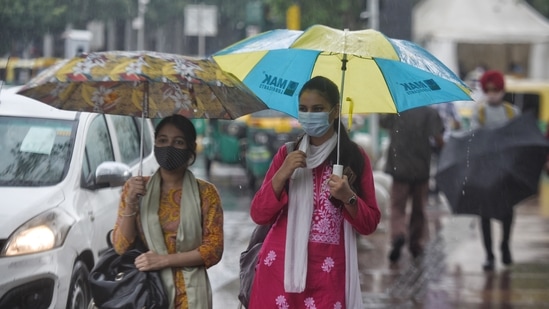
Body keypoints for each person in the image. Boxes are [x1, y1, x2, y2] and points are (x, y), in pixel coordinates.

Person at [247, 76, 381, 308]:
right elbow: (259, 214)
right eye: (303, 109)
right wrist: (283, 173)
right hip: (280, 271)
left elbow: (369, 224)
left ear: (335, 111)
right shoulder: (288, 154)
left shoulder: (354, 158)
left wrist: (348, 197)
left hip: (328, 276)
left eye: (317, 109)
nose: (309, 115)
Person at [112, 114, 224, 309]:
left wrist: (163, 261)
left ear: (191, 149)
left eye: (178, 142)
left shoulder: (206, 193)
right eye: (162, 140)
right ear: (154, 144)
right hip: (147, 290)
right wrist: (130, 202)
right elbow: (121, 246)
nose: (169, 147)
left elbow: (213, 250)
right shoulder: (137, 189)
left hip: (190, 295)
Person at [380, 106, 444, 263]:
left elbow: (383, 123)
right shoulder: (430, 113)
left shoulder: (396, 109)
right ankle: (415, 244)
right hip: (421, 167)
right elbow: (438, 137)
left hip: (399, 166)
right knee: (418, 209)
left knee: (397, 206)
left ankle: (398, 235)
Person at [470, 69, 519, 271]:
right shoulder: (479, 112)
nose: (492, 94)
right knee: (485, 213)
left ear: (502, 90)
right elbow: (473, 138)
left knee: (508, 211)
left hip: (507, 170)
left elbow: (518, 137)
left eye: (495, 90)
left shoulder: (512, 112)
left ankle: (505, 244)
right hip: (485, 170)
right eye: (488, 90)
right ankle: (489, 254)